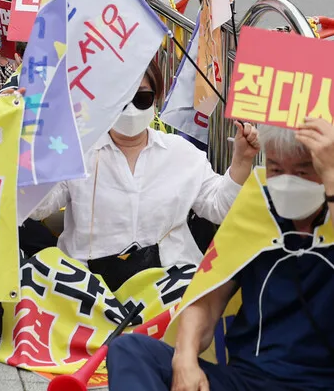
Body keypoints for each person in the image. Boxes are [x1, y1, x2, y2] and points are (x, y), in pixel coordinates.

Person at [106, 119, 334, 391]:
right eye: (275, 169)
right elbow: (208, 298)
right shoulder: (256, 208)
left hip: (319, 382)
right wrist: (186, 359)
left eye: (302, 171)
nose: (287, 182)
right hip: (247, 379)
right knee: (129, 350)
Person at [29, 60, 260, 290]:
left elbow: (219, 207)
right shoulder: (76, 152)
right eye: (121, 99)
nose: (131, 110)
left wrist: (241, 161)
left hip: (169, 285)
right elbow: (38, 207)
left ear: (156, 98)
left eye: (141, 98)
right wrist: (33, 145)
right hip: (86, 288)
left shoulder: (182, 153)